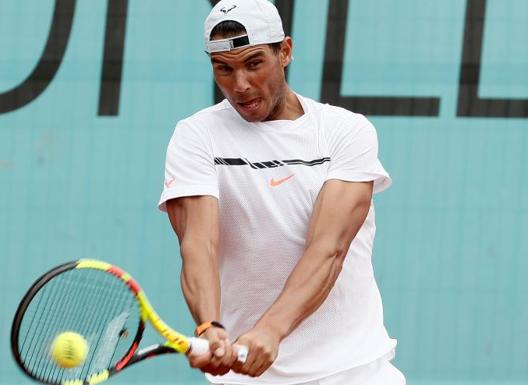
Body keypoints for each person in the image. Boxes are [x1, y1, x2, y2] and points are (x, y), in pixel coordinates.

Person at [158, 1, 405, 384]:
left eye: (254, 63)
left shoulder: (345, 132)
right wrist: (209, 326)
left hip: (352, 372)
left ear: (284, 51)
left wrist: (272, 329)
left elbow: (329, 249)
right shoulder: (195, 137)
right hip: (244, 375)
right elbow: (198, 243)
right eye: (224, 69)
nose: (239, 85)